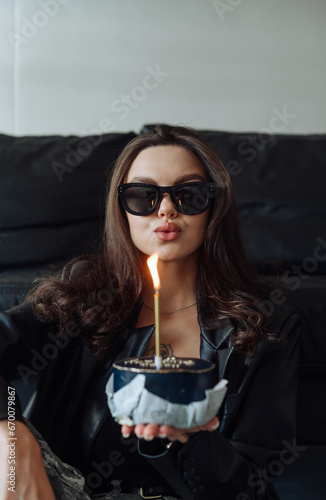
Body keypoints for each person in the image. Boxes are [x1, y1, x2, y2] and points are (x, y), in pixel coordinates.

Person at [0, 124, 300, 500]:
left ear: (214, 207)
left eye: (189, 194)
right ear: (122, 209)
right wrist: (12, 434)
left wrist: (189, 440)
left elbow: (252, 487)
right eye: (144, 195)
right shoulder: (83, 296)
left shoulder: (264, 327)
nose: (167, 209)